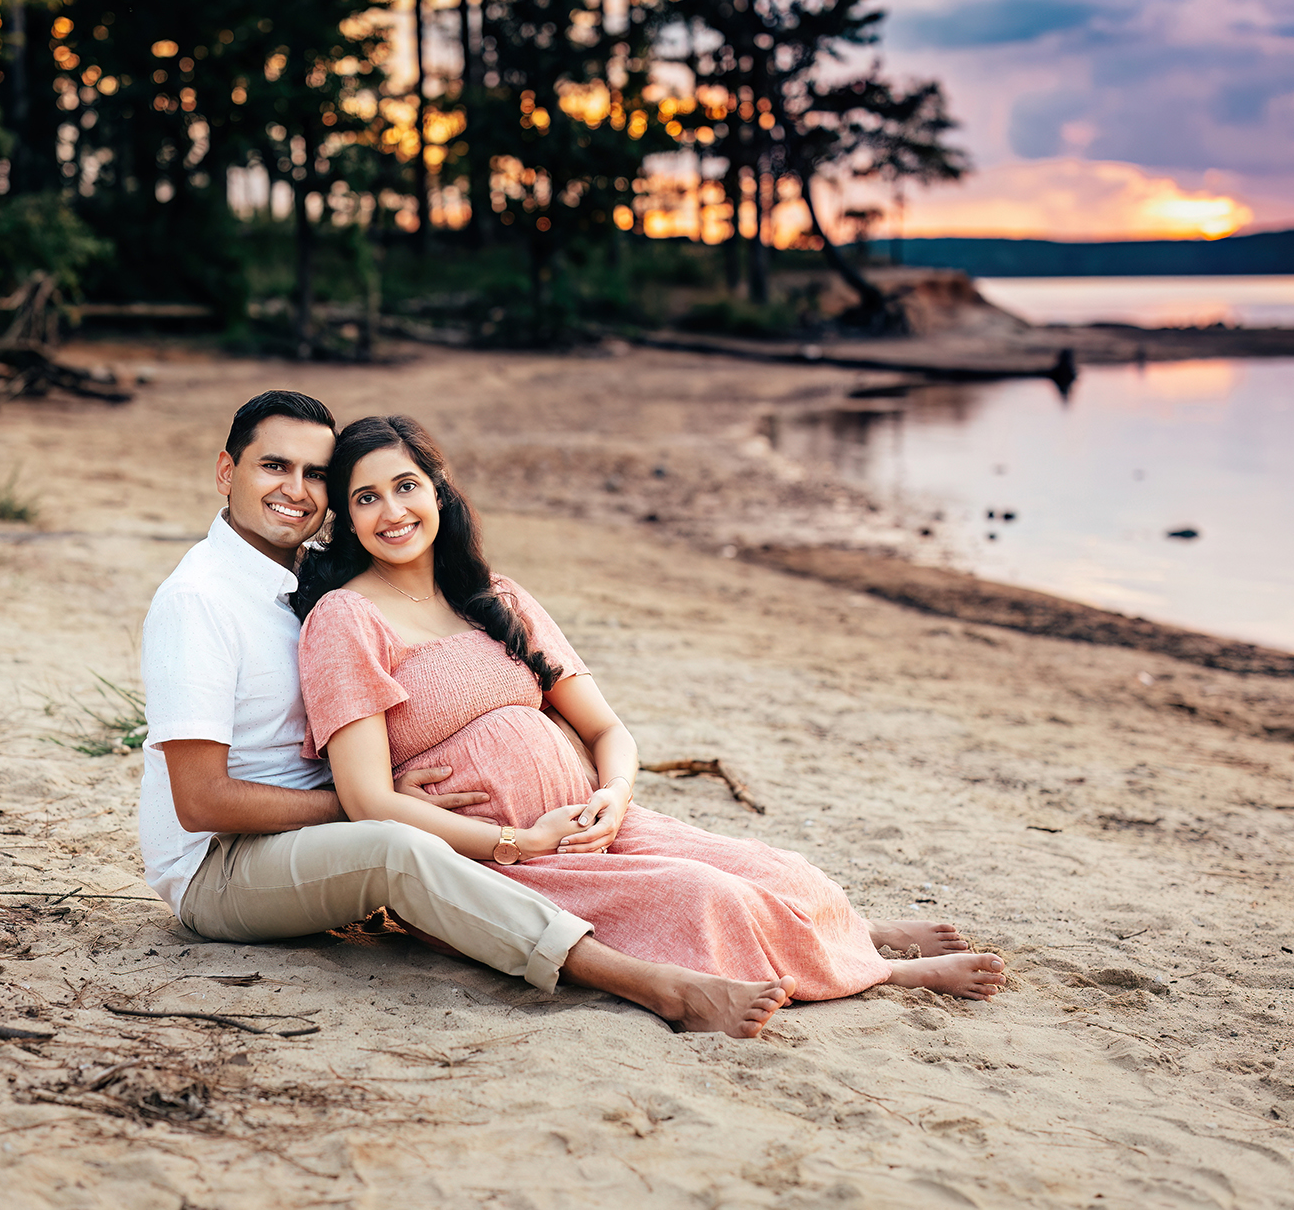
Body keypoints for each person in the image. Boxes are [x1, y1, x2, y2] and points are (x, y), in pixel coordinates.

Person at [138, 390, 804, 1038]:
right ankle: (652, 983)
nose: (297, 488)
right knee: (396, 845)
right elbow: (200, 801)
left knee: (731, 868)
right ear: (227, 472)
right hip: (220, 868)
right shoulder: (201, 600)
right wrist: (366, 801)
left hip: (322, 840)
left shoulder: (309, 582)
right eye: (273, 466)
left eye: (316, 473)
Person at [292, 414, 1006, 1002]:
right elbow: (366, 797)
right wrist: (523, 842)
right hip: (496, 861)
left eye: (406, 485)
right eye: (366, 497)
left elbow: (606, 727)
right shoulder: (346, 619)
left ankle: (861, 928)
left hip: (597, 826)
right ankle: (885, 971)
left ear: (439, 492)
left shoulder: (497, 598)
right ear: (346, 520)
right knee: (700, 896)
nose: (392, 512)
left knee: (783, 868)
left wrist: (614, 795)